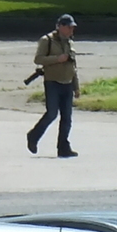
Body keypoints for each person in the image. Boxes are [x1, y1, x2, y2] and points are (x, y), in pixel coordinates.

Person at [26, 13, 78, 158]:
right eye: (68, 27)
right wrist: (57, 59)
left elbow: (73, 65)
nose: (71, 30)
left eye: (72, 28)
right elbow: (38, 59)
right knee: (51, 113)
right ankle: (33, 136)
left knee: (67, 118)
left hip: (67, 83)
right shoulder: (47, 40)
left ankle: (63, 147)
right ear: (60, 27)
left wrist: (76, 86)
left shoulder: (69, 42)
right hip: (52, 82)